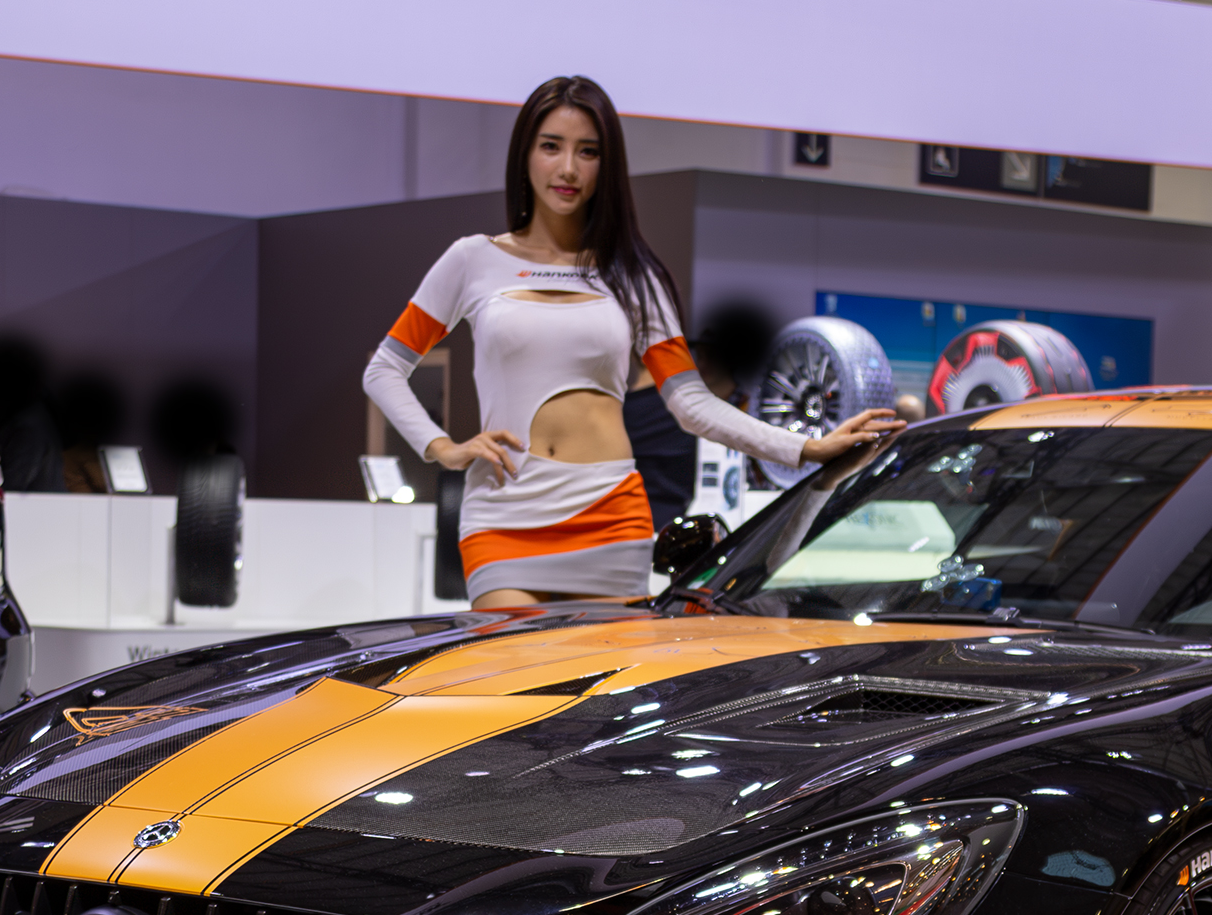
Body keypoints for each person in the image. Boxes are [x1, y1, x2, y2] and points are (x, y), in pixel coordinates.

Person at [363, 75, 900, 606]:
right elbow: (384, 369)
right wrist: (444, 448)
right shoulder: (472, 260)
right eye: (551, 147)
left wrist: (805, 448)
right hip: (504, 510)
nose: (568, 168)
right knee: (513, 679)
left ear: (607, 166)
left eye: (588, 151)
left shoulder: (633, 276)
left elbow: (689, 403)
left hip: (607, 511)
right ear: (525, 155)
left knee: (600, 688)